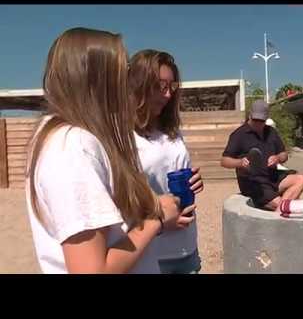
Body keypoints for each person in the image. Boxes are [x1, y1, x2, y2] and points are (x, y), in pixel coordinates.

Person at [26, 28, 188, 274]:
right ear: (97, 80)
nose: (128, 84)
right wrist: (156, 219)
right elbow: (92, 270)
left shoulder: (65, 137)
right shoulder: (73, 147)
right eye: (123, 73)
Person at [128, 49, 204, 274]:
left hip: (187, 247)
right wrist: (160, 221)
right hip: (151, 253)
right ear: (139, 85)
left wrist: (195, 182)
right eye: (161, 86)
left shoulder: (173, 131)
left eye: (172, 87)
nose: (168, 94)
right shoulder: (122, 137)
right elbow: (119, 198)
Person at [221, 100, 303, 211]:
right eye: (255, 120)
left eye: (261, 120)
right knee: (286, 205)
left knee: (301, 179)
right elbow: (224, 161)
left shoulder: (271, 132)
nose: (258, 123)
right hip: (253, 182)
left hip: (273, 176)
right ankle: (282, 209)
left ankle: (282, 209)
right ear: (250, 116)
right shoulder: (239, 135)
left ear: (266, 119)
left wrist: (277, 158)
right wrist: (240, 162)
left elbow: (284, 154)